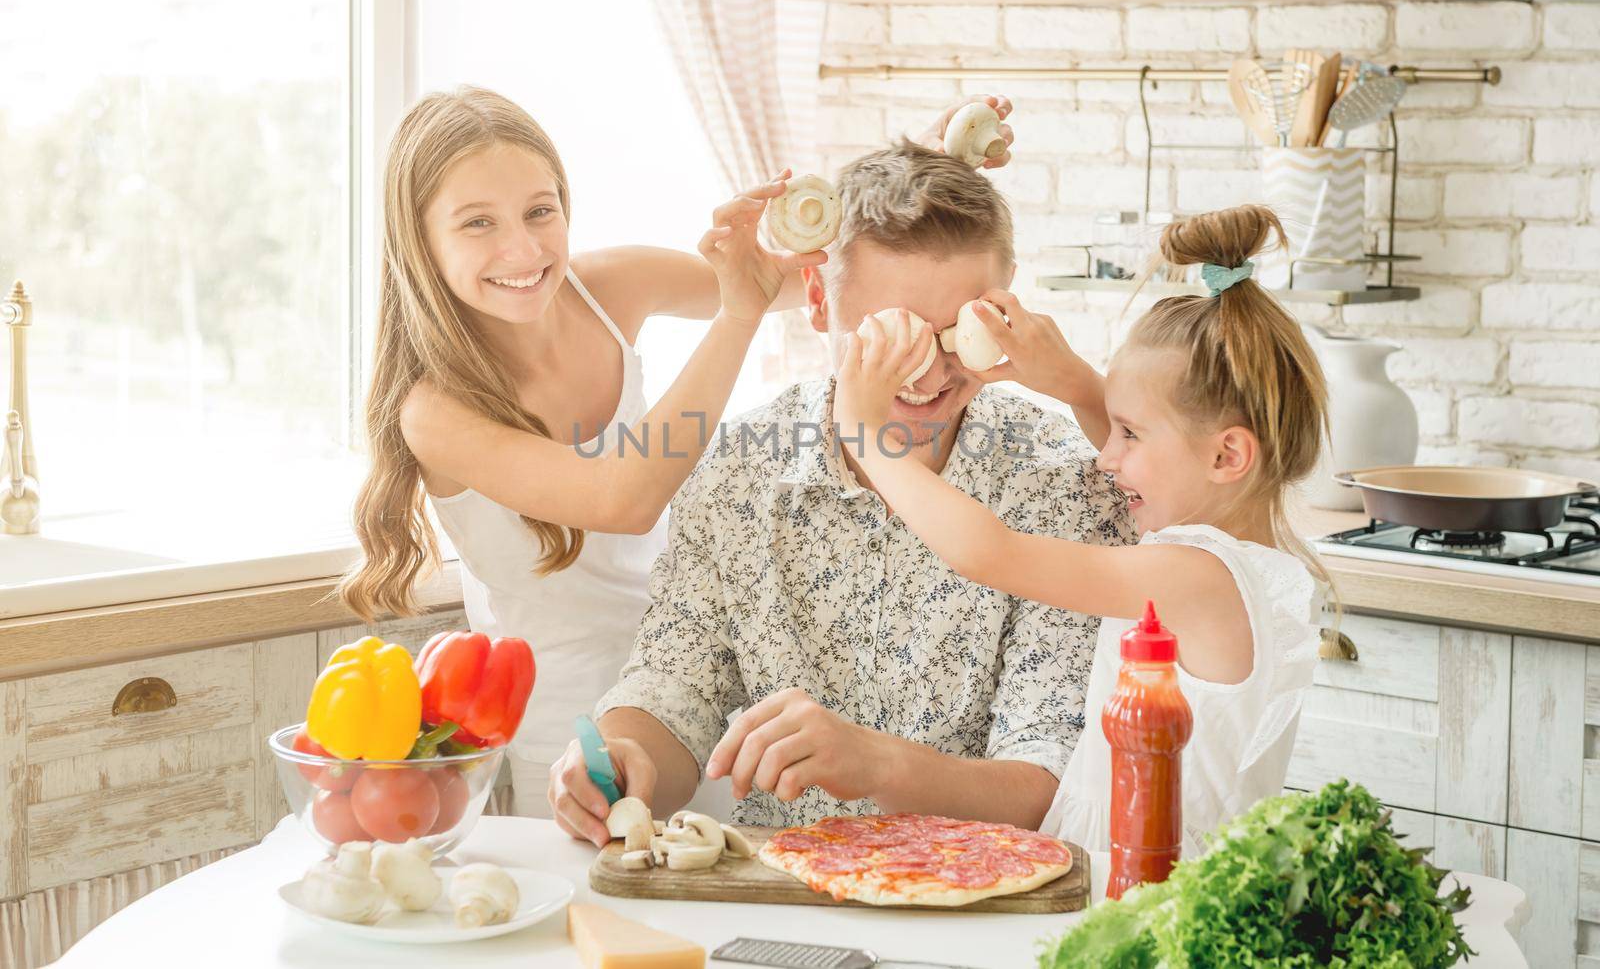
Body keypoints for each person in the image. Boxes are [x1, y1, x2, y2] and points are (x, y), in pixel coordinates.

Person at [340, 86, 1011, 816]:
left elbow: (825, 278)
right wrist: (736, 315)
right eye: (478, 224)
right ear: (419, 241)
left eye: (541, 210)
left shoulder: (603, 288)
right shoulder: (434, 410)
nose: (524, 250)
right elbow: (624, 500)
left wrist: (928, 170)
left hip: (700, 677)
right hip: (578, 726)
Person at [546, 140, 1132, 846]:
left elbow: (1050, 785)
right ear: (819, 302)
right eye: (889, 335)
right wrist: (625, 753)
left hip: (986, 905)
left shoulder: (1064, 485)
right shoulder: (738, 470)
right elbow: (676, 685)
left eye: (959, 333)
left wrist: (875, 762)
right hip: (781, 895)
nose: (928, 372)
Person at [833, 203, 1328, 854]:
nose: (1105, 455)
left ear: (1227, 456)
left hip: (1146, 881)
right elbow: (1164, 450)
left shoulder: (1195, 574)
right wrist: (1068, 379)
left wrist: (869, 439)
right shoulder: (1238, 555)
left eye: (1129, 433)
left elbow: (991, 553)